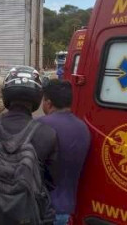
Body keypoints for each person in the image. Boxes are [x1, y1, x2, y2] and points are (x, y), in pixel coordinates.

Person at [0, 66, 58, 223]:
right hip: (30, 215)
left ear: (7, 93)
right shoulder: (47, 134)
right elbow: (50, 182)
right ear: (38, 97)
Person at [38, 80, 90, 225]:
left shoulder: (40, 125)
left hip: (42, 208)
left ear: (48, 103)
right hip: (66, 209)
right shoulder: (83, 129)